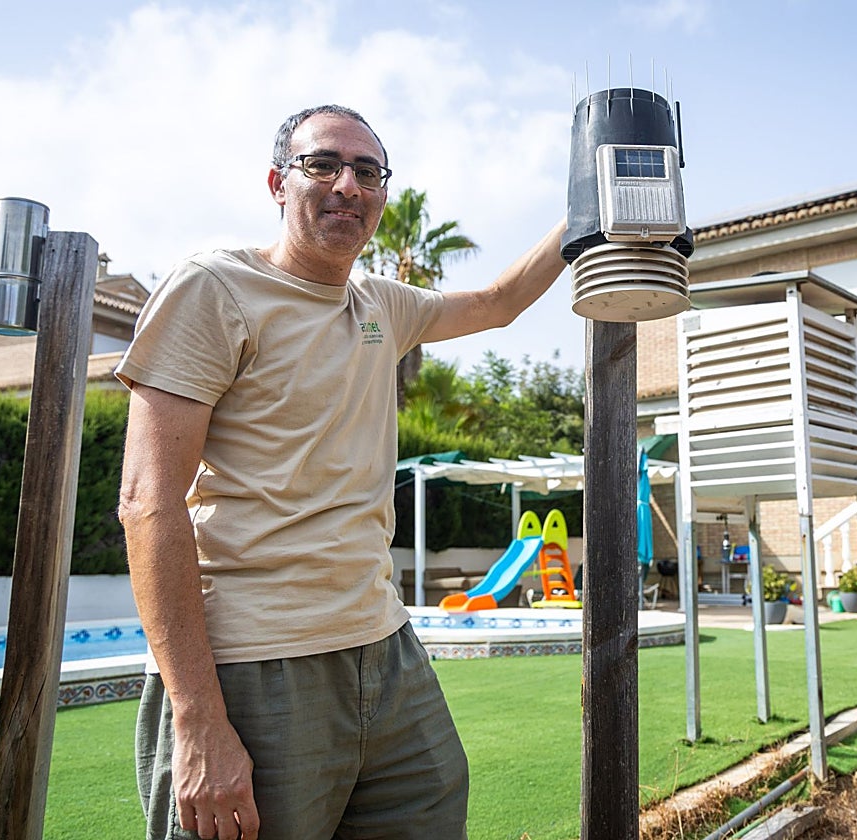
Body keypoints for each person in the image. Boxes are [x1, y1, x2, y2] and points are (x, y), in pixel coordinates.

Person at [116, 104, 566, 840]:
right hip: (256, 664)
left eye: (368, 172)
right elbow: (147, 501)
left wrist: (588, 206)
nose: (347, 185)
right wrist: (197, 719)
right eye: (322, 164)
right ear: (277, 184)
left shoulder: (380, 305)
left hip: (386, 650)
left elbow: (498, 302)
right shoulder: (214, 289)